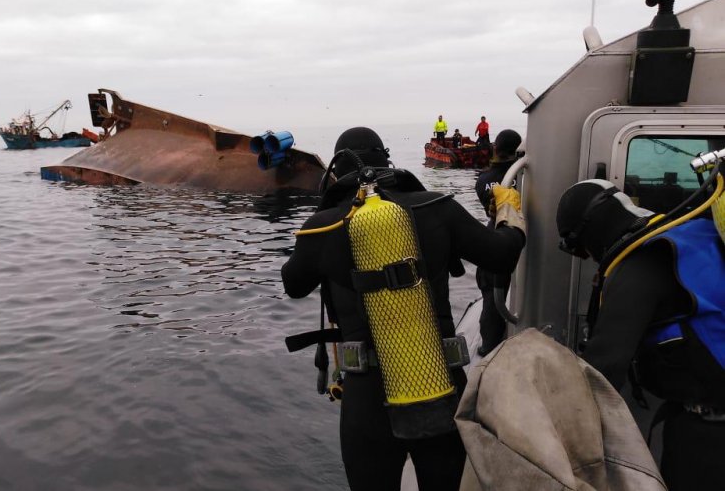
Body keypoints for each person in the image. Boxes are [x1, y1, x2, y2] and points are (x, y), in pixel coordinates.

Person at [282, 127, 526, 491]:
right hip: (441, 386)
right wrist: (508, 209)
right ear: (387, 159)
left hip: (366, 399)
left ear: (336, 171)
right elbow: (502, 254)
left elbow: (294, 285)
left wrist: (316, 232)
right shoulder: (438, 206)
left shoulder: (323, 225)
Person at [556, 178, 725, 491]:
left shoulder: (642, 262)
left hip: (709, 437)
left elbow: (602, 371)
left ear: (589, 231)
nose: (591, 258)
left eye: (581, 250)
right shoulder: (692, 233)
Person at [473, 129, 521, 356]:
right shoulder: (527, 175)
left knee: (491, 295)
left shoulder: (483, 180)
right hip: (524, 235)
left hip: (497, 234)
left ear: (495, 149)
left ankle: (490, 346)